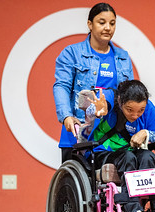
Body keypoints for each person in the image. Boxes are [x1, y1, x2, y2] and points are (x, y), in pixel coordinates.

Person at [86, 80, 155, 212]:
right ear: (121, 101)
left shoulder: (148, 108)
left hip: (132, 152)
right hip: (105, 152)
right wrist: (96, 111)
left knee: (148, 157)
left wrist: (146, 133)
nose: (135, 115)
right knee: (128, 157)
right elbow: (90, 112)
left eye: (140, 110)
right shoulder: (110, 98)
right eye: (129, 110)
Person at [53, 2, 134, 163]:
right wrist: (66, 116)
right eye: (101, 22)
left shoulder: (123, 57)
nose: (108, 28)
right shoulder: (72, 53)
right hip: (79, 129)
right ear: (90, 24)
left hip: (112, 133)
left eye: (112, 23)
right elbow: (62, 86)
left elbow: (128, 94)